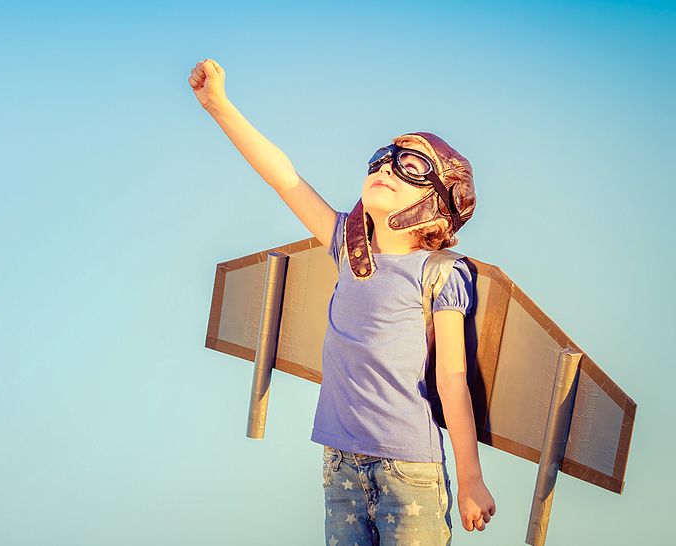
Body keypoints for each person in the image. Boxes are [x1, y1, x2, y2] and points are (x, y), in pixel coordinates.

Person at [189, 58, 496, 545]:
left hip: (409, 469)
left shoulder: (440, 272)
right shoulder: (345, 248)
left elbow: (452, 379)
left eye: (411, 167)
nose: (386, 168)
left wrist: (471, 476)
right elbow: (284, 178)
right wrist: (220, 107)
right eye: (382, 158)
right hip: (338, 462)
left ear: (438, 201)